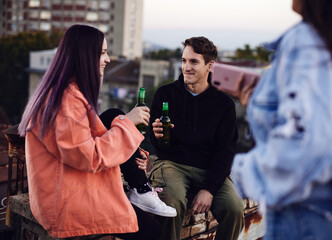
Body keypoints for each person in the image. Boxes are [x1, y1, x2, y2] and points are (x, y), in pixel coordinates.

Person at [18, 24, 175, 240]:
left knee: (113, 115)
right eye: (102, 53)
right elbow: (89, 156)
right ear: (84, 56)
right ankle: (140, 190)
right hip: (68, 201)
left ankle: (140, 188)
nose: (108, 59)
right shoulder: (66, 101)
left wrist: (130, 151)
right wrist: (128, 123)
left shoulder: (64, 92)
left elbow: (89, 139)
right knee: (152, 231)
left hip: (69, 187)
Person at [228, 0, 332, 239]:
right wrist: (263, 105)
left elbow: (309, 146)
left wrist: (241, 171)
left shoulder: (307, 42)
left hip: (303, 220)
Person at [149, 36, 244, 240]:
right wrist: (157, 134)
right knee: (170, 204)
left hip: (207, 168)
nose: (186, 67)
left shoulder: (223, 104)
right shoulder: (165, 94)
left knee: (234, 208)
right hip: (172, 164)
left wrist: (208, 189)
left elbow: (225, 151)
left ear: (210, 65)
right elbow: (158, 145)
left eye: (194, 61)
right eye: (184, 61)